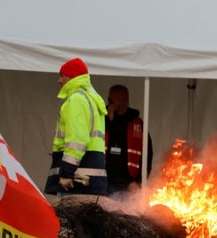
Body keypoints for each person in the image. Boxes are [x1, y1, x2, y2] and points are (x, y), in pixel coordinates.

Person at [44, 58, 108, 196]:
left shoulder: (76, 100)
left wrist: (67, 171)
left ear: (72, 77)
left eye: (62, 76)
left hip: (77, 180)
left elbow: (77, 141)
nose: (59, 80)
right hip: (90, 178)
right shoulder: (92, 99)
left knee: (69, 217)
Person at [105, 84, 153, 195]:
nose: (122, 102)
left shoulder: (137, 123)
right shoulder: (102, 120)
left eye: (125, 99)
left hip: (129, 183)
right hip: (105, 181)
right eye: (118, 99)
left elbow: (147, 154)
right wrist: (109, 120)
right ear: (110, 100)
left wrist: (140, 181)